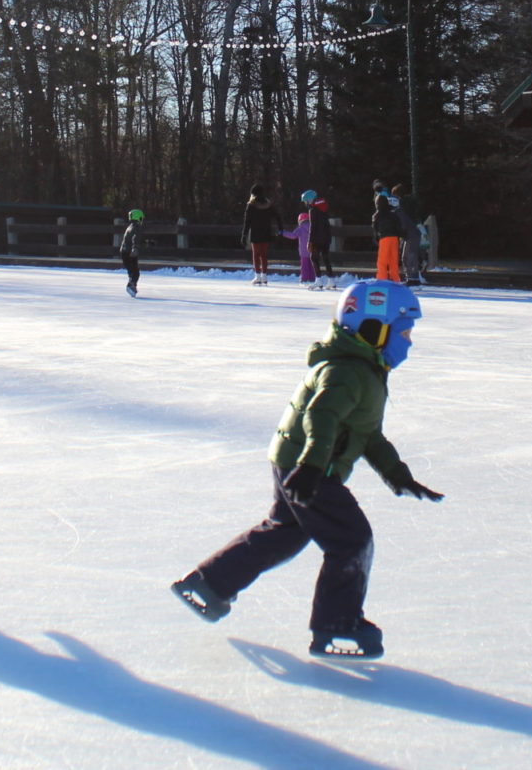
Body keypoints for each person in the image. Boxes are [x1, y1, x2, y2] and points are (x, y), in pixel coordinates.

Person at [170, 280, 442, 660]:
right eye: (405, 331)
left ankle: (209, 584)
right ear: (373, 329)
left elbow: (367, 434)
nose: (409, 342)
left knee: (284, 533)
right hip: (309, 468)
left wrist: (398, 476)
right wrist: (313, 468)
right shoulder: (348, 371)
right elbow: (321, 416)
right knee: (351, 540)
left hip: (294, 462)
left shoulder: (364, 367)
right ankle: (336, 625)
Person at [240, 185, 283, 286]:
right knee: (263, 255)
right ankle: (264, 276)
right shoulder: (268, 205)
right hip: (266, 232)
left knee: (256, 255)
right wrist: (280, 228)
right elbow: (277, 216)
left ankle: (257, 276)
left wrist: (244, 234)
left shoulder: (251, 205)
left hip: (255, 232)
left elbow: (247, 222)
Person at [392, 182, 427, 286]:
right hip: (412, 232)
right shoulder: (412, 204)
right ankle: (412, 277)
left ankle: (412, 278)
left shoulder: (401, 207)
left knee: (408, 256)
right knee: (409, 255)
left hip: (410, 233)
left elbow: (402, 221)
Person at [371, 188, 405, 283]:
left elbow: (375, 229)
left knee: (382, 261)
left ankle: (382, 279)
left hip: (384, 238)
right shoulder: (393, 214)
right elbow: (398, 226)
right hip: (394, 238)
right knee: (393, 260)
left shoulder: (376, 215)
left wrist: (376, 239)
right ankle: (395, 279)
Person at [305, 191, 337, 289]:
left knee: (314, 258)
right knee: (326, 258)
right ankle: (331, 280)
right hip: (326, 237)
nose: (306, 203)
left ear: (310, 200)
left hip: (317, 239)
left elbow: (313, 227)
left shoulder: (313, 210)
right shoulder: (324, 208)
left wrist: (310, 241)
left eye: (306, 201)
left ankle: (318, 280)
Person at [282, 208, 319, 289]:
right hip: (313, 250)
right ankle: (312, 278)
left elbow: (292, 236)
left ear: (300, 220)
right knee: (312, 265)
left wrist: (283, 232)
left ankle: (304, 279)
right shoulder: (312, 227)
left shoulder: (301, 228)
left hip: (304, 251)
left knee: (304, 266)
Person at [119, 209, 145, 297]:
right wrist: (135, 248)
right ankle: (131, 286)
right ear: (139, 218)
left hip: (124, 252)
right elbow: (135, 238)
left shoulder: (130, 226)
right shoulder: (137, 227)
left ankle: (131, 284)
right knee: (135, 271)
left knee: (131, 270)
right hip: (130, 252)